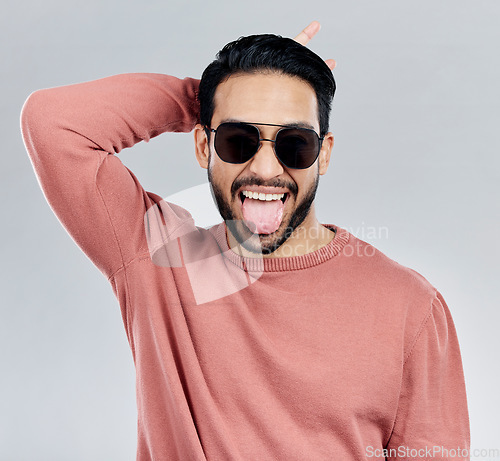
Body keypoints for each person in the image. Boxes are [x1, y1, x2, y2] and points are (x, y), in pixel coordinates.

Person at [20, 21, 470, 461]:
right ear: (203, 145)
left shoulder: (411, 306)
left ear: (324, 154)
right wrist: (208, 94)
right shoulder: (155, 259)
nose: (267, 170)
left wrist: (237, 103)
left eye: (294, 143)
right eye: (238, 139)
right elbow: (53, 123)